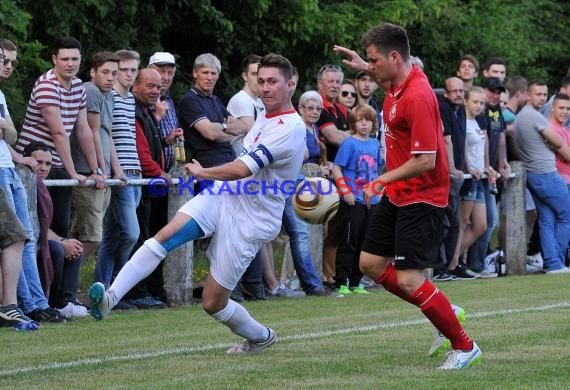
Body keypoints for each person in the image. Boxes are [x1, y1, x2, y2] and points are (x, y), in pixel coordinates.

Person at [89, 53, 305, 355]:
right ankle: (109, 298)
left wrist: (203, 171)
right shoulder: (263, 117)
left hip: (252, 219)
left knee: (213, 302)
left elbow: (244, 168)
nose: (265, 87)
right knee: (164, 236)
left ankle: (261, 336)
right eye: (261, 80)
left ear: (290, 84)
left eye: (273, 82)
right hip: (225, 196)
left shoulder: (290, 128)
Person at [334, 22, 481, 369]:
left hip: (423, 195)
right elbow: (381, 74)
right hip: (399, 193)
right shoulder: (395, 83)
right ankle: (442, 307)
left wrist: (381, 179)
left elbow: (426, 161)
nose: (371, 71)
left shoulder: (417, 95)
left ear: (395, 57)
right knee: (369, 264)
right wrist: (361, 63)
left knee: (410, 279)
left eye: (374, 61)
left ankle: (465, 346)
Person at [95, 50, 142, 300]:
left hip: (135, 172)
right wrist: (117, 168)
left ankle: (103, 290)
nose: (128, 75)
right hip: (121, 174)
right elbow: (108, 134)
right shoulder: (110, 95)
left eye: (133, 70)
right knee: (130, 234)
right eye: (123, 69)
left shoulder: (130, 98)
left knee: (113, 236)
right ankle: (117, 284)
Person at [70, 51, 125, 260]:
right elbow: (91, 131)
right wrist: (99, 170)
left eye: (114, 73)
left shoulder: (110, 96)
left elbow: (106, 134)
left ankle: (65, 288)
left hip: (102, 176)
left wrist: (116, 171)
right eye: (105, 72)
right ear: (93, 72)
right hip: (88, 172)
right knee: (91, 238)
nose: (111, 77)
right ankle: (62, 285)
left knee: (80, 235)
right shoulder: (90, 90)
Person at [22, 141, 87, 317]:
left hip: (38, 239)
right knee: (58, 248)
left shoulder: (42, 185)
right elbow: (33, 225)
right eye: (39, 162)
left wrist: (65, 241)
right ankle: (54, 302)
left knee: (74, 246)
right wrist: (61, 241)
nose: (43, 168)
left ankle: (67, 300)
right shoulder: (22, 182)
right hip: (24, 243)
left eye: (48, 163)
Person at [513, 79, 570, 273]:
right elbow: (559, 143)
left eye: (545, 94)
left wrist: (551, 143)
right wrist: (553, 143)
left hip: (535, 175)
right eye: (538, 94)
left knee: (546, 219)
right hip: (546, 173)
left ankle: (553, 264)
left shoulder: (523, 116)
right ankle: (558, 262)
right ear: (527, 95)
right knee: (566, 216)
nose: (542, 98)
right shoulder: (533, 116)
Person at [332, 104, 382, 295]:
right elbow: (337, 168)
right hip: (354, 200)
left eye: (367, 120)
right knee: (348, 241)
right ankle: (341, 282)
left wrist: (379, 191)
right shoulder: (349, 143)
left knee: (365, 243)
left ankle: (356, 281)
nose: (364, 124)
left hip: (372, 201)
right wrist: (346, 191)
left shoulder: (375, 144)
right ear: (353, 123)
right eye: (359, 120)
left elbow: (377, 171)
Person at [451, 86, 492, 278]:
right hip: (468, 178)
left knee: (481, 225)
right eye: (475, 102)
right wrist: (468, 168)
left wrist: (487, 166)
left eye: (482, 103)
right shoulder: (462, 123)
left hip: (479, 178)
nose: (479, 106)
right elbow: (463, 149)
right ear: (466, 101)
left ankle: (452, 260)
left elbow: (479, 149)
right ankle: (452, 264)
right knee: (463, 221)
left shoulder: (476, 122)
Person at [434, 77, 466, 282]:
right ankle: (439, 267)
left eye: (461, 91)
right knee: (447, 222)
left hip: (455, 174)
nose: (459, 94)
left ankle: (445, 267)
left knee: (452, 222)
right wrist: (452, 167)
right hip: (446, 175)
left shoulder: (460, 110)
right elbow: (446, 141)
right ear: (445, 94)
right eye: (454, 91)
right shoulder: (444, 108)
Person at [148, 51, 182, 171]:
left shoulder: (169, 101)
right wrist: (156, 115)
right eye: (161, 71)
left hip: (170, 171)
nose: (166, 77)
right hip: (150, 172)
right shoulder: (142, 99)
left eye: (170, 73)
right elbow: (142, 141)